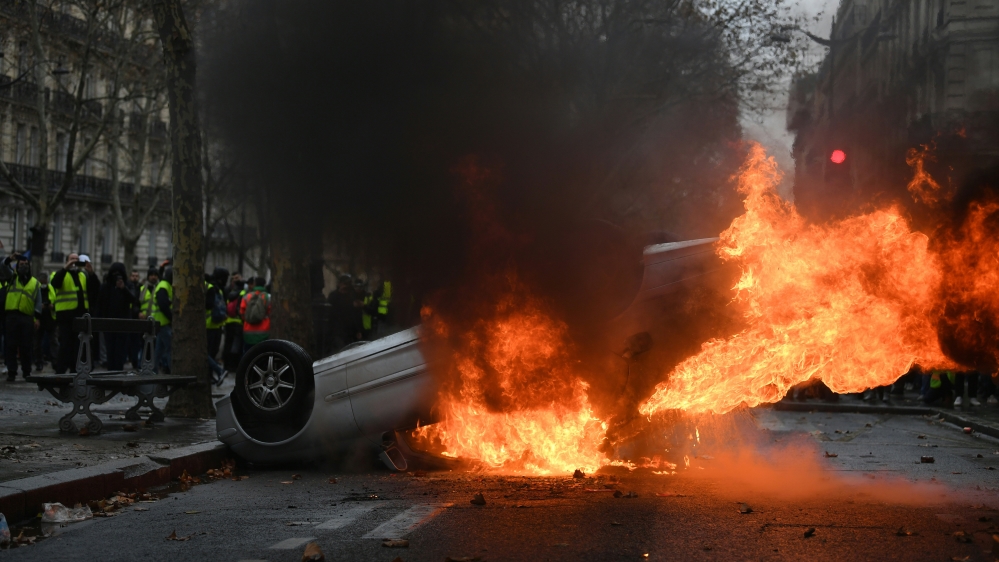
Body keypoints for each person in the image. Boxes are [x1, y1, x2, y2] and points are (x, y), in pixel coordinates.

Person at [4, 253, 41, 381]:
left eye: (26, 264)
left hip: (27, 318)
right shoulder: (12, 277)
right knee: (11, 346)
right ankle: (12, 371)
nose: (23, 266)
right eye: (21, 264)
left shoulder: (35, 283)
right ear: (17, 266)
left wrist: (37, 318)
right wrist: (9, 259)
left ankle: (26, 371)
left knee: (26, 346)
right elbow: (2, 267)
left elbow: (38, 302)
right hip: (12, 316)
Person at [50, 253, 89, 374]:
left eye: (76, 259)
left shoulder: (82, 275)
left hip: (80, 316)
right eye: (71, 259)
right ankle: (60, 370)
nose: (74, 262)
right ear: (66, 261)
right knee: (65, 345)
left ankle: (74, 370)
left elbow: (92, 290)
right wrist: (66, 268)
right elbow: (55, 283)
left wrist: (91, 273)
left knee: (78, 346)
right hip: (65, 315)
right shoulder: (60, 273)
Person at [97, 262, 139, 371]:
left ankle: (117, 373)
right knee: (110, 352)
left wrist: (123, 288)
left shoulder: (128, 285)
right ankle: (111, 374)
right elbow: (100, 304)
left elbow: (133, 298)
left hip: (123, 324)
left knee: (120, 353)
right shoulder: (106, 286)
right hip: (109, 324)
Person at [205, 267, 229, 385]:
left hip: (214, 325)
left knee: (211, 352)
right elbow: (209, 305)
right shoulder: (213, 288)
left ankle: (211, 375)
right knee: (209, 352)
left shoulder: (216, 288)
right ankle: (212, 374)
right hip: (211, 325)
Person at [327, 274, 361, 352]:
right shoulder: (334, 296)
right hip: (337, 330)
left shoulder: (350, 296)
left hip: (349, 330)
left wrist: (357, 330)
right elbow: (332, 312)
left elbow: (353, 314)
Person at [152, 267, 173, 373]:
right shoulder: (164, 286)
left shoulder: (164, 285)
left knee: (159, 350)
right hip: (163, 322)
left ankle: (153, 370)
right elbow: (163, 305)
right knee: (170, 348)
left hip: (160, 322)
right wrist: (172, 318)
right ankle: (173, 372)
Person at [240, 277, 270, 350]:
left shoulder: (247, 296)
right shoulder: (268, 297)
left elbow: (242, 313)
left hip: (248, 333)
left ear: (254, 284)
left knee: (249, 357)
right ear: (264, 284)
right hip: (264, 333)